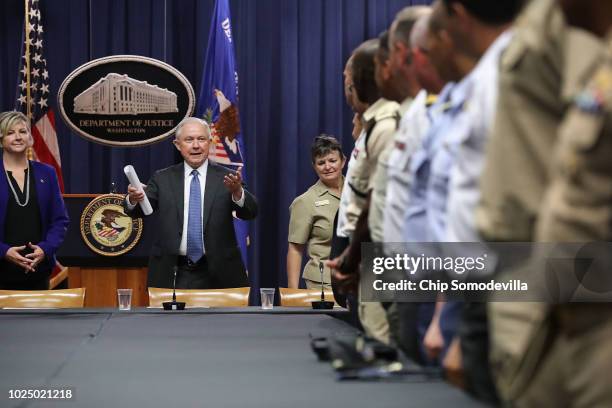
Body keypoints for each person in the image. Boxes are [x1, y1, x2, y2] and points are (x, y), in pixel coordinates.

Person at [125, 117, 258, 289]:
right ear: (177, 144)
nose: (196, 145)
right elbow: (138, 210)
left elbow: (251, 212)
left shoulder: (228, 178)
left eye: (201, 139)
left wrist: (237, 192)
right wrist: (133, 199)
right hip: (173, 271)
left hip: (221, 272)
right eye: (189, 139)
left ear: (210, 143)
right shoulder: (162, 178)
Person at [0, 111, 69, 290]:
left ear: (30, 138)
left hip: (38, 271)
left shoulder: (47, 172)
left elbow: (60, 220)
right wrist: (3, 251)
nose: (17, 137)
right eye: (10, 133)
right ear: (1, 139)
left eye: (23, 132)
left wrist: (45, 249)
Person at [286, 135, 345, 289]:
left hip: (361, 280)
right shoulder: (305, 202)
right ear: (314, 166)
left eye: (332, 161)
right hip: (324, 284)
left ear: (343, 161)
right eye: (321, 162)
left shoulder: (359, 192)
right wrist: (293, 295)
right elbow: (295, 249)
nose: (327, 167)